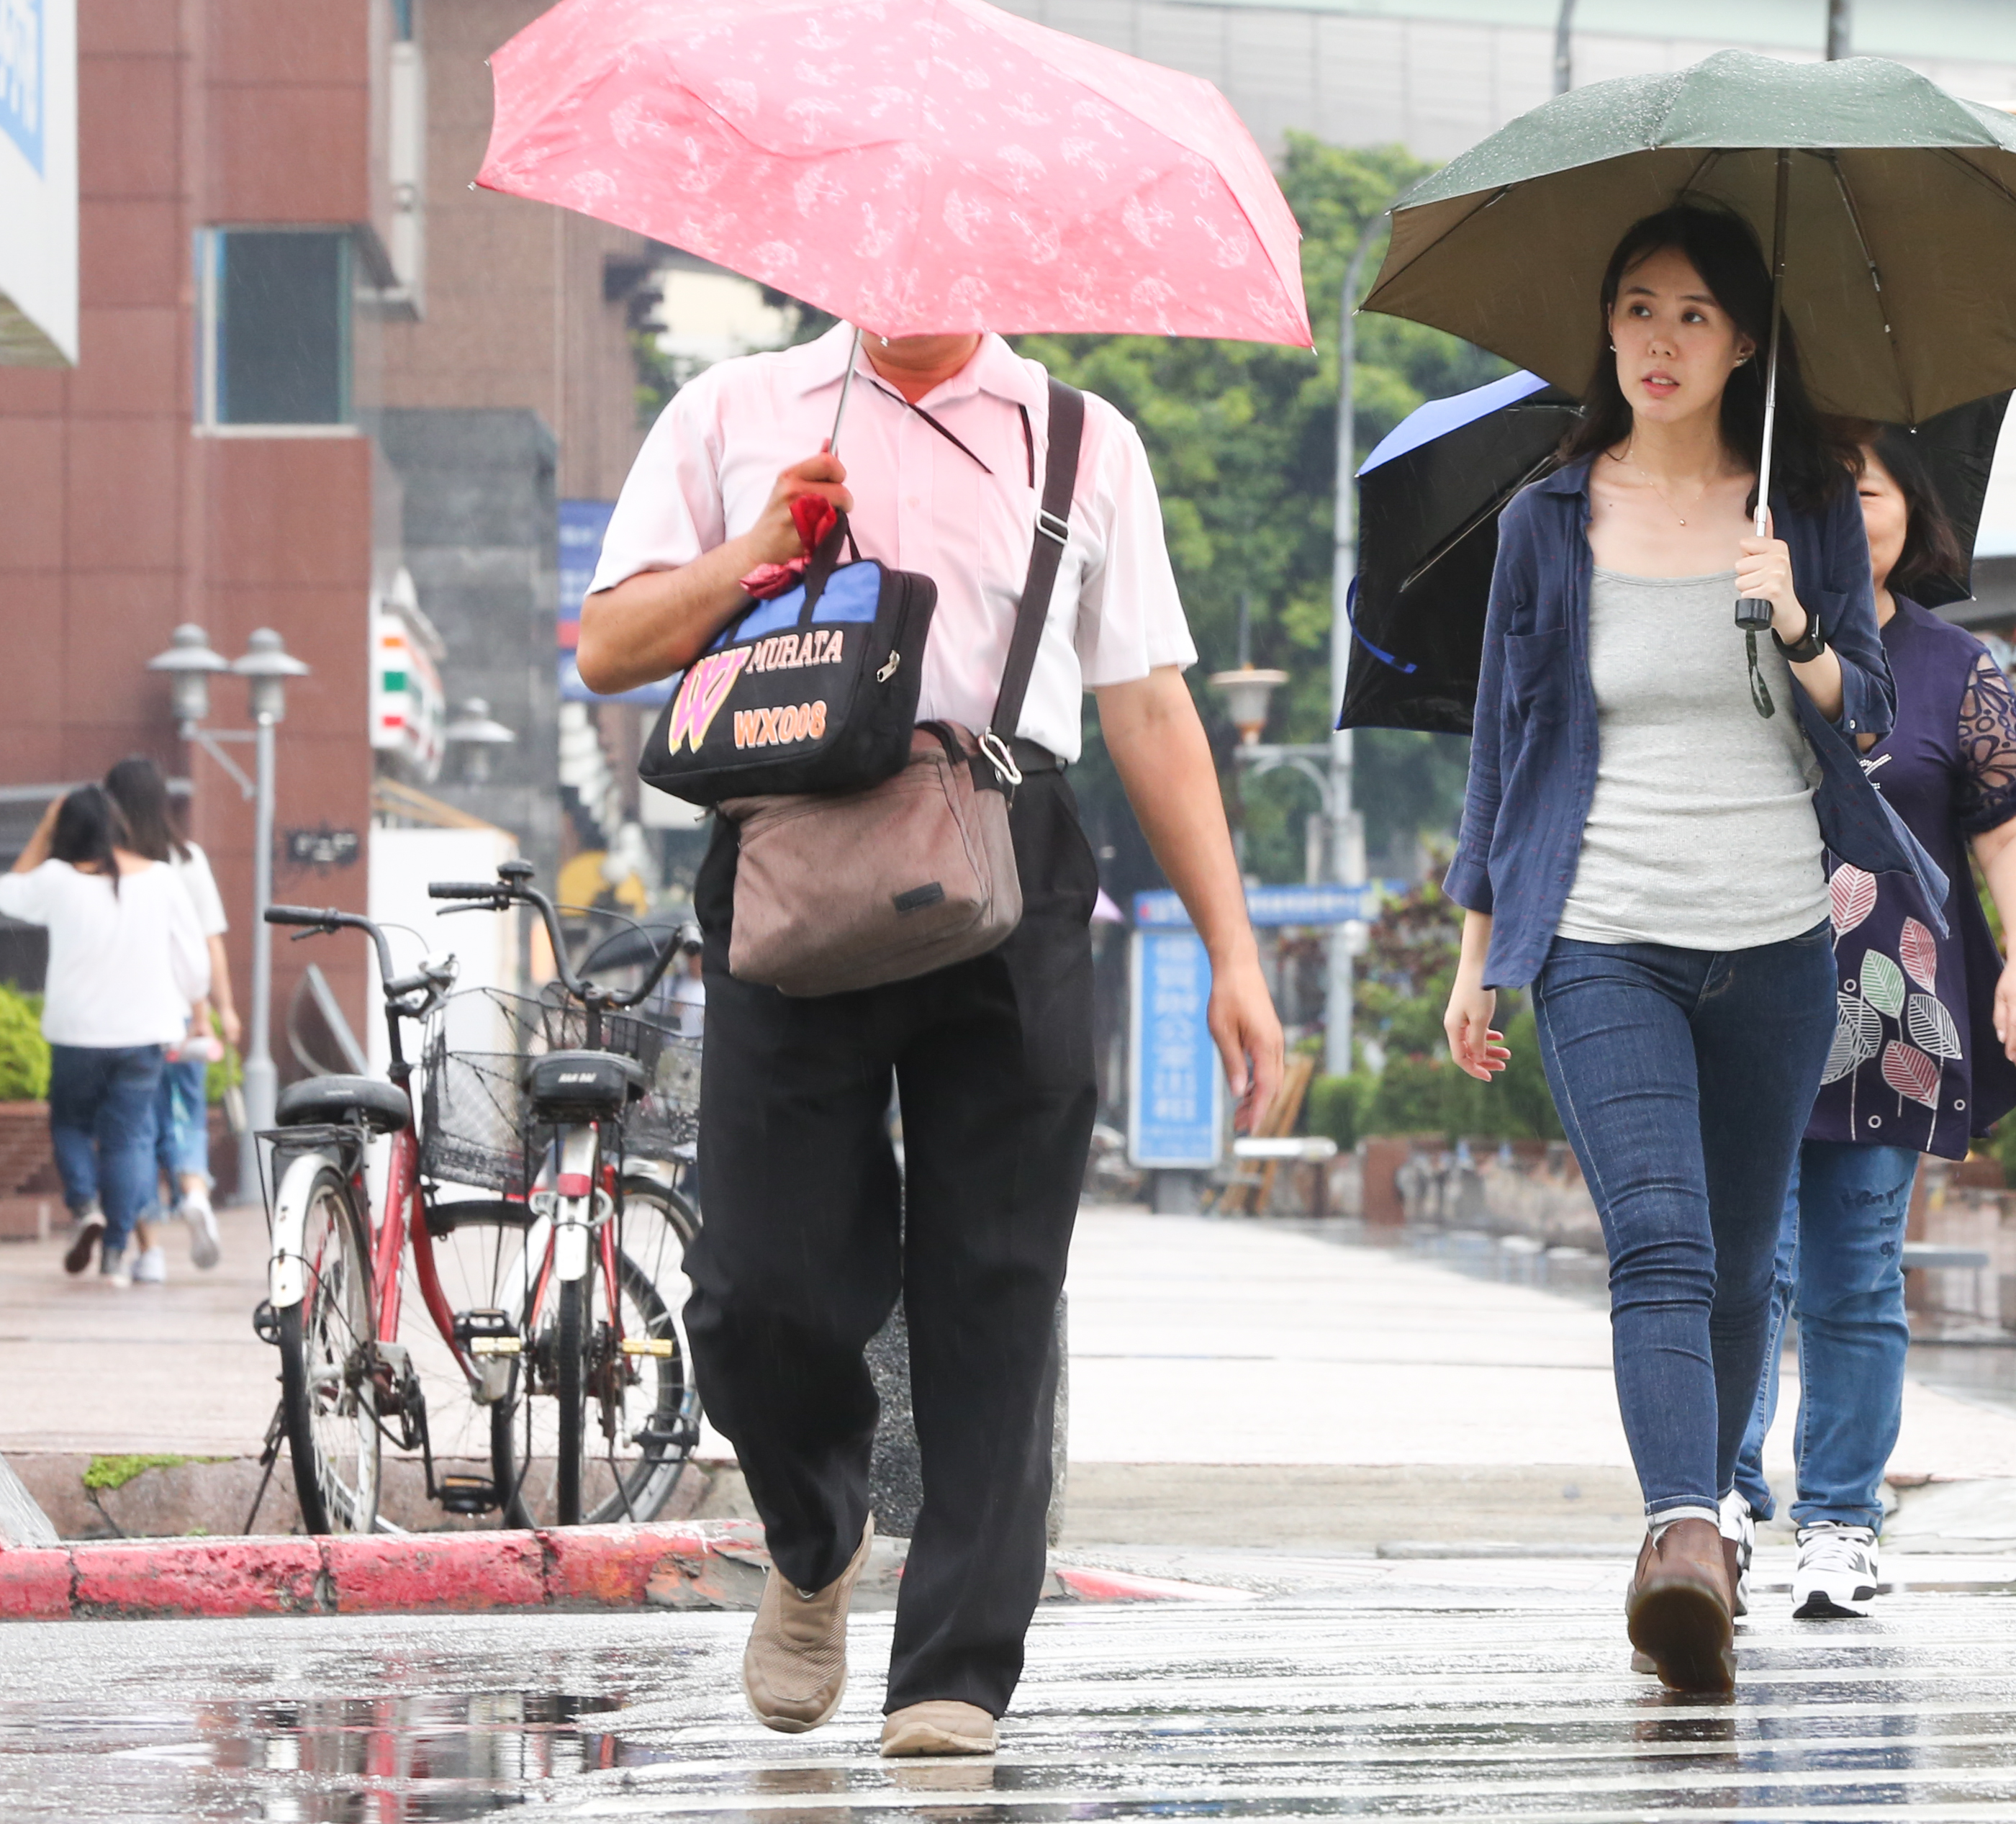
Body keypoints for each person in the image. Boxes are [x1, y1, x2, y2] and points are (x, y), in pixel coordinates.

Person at [579, 319, 1287, 1759]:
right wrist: (756, 552)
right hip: (793, 859)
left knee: (994, 1285)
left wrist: (1231, 948)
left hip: (1008, 863)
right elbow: (608, 646)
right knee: (756, 1286)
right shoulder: (737, 409)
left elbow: (1147, 701)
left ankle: (954, 1665)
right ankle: (813, 1527)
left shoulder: (1078, 439)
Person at [1442, 203, 1936, 1694]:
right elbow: (1499, 748)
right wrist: (1478, 954)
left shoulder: (1800, 516)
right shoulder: (1546, 519)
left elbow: (1865, 721)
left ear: (1743, 345)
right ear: (1604, 328)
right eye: (1637, 307)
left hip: (1777, 935)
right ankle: (1680, 1525)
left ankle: (1703, 1545)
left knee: (1735, 1265)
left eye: (1694, 316)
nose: (1660, 341)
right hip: (1600, 931)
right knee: (1655, 1239)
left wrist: (1792, 620)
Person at [1727, 423, 2016, 1620]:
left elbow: (2011, 823)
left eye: (1864, 489)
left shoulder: (1950, 663)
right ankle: (1716, 1499)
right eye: (1820, 488)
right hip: (1742, 987)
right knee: (1742, 1265)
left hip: (1891, 1004)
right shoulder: (1729, 630)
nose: (1845, 509)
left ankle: (1839, 1521)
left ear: (1914, 511)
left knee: (1854, 1273)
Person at [3, 788, 206, 1287]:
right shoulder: (161, 879)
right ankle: (116, 1249)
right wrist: (193, 1005)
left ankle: (85, 1204)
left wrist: (44, 830)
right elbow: (194, 963)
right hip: (144, 1034)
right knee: (127, 1140)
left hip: (76, 1033)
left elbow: (7, 893)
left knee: (71, 1122)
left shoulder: (57, 880)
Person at [104, 756, 238, 1275]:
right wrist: (221, 1009)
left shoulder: (107, 863)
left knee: (132, 1130)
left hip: (125, 1019)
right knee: (185, 1115)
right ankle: (194, 1194)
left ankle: (149, 1252)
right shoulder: (188, 858)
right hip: (186, 1012)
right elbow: (209, 943)